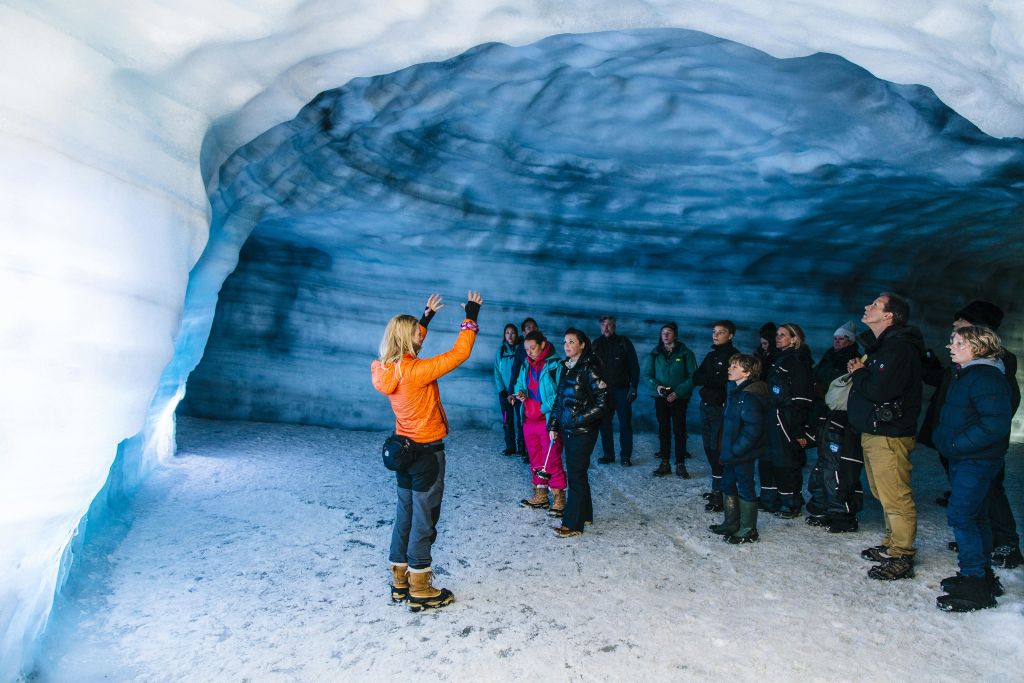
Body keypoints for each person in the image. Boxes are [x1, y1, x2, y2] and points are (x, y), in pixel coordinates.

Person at [371, 291, 483, 612]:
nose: (421, 339)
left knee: (404, 513)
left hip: (403, 450)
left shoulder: (389, 369)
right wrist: (470, 316)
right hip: (426, 453)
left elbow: (413, 341)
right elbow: (458, 353)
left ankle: (399, 580)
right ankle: (421, 585)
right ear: (408, 340)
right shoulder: (417, 372)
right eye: (416, 335)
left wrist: (426, 317)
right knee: (425, 517)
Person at [920, 301, 1021, 568]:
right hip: (959, 443)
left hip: (975, 447)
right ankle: (979, 542)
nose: (954, 325)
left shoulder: (998, 362)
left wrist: (966, 440)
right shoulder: (965, 363)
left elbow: (999, 408)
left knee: (990, 492)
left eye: (961, 320)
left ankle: (1007, 544)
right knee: (973, 498)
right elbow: (941, 381)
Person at [933, 325, 1013, 612]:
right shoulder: (969, 373)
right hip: (968, 457)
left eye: (958, 342)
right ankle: (983, 577)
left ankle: (974, 583)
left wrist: (957, 445)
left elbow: (995, 423)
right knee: (977, 514)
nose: (950, 346)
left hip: (975, 459)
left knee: (962, 515)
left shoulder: (984, 376)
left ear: (978, 347)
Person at [847, 292, 925, 581]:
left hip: (889, 435)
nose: (867, 307)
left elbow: (881, 389)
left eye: (875, 305)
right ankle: (892, 544)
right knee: (883, 492)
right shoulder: (885, 347)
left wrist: (859, 372)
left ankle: (902, 554)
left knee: (896, 495)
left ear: (889, 316)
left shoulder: (899, 349)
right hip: (875, 432)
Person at [548, 328, 609, 538]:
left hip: (583, 431)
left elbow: (603, 403)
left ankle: (572, 524)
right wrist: (554, 425)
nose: (566, 346)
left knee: (575, 474)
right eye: (565, 342)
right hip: (568, 428)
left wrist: (577, 419)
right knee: (578, 473)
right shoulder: (566, 368)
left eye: (571, 342)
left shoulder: (589, 368)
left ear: (582, 344)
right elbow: (559, 400)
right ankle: (585, 514)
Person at [805, 321, 863, 528]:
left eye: (841, 339)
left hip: (841, 414)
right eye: (835, 338)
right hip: (826, 413)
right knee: (824, 465)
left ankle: (840, 512)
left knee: (835, 467)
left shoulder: (852, 358)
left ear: (850, 341)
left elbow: (836, 379)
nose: (837, 342)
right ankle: (823, 507)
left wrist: (821, 381)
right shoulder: (831, 355)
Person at [709, 353, 770, 544]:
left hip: (742, 453)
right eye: (730, 365)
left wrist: (736, 450)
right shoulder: (735, 392)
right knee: (727, 484)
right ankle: (731, 523)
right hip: (731, 452)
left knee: (745, 486)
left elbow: (753, 430)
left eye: (734, 366)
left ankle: (748, 529)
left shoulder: (750, 396)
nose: (729, 368)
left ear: (748, 372)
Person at [763, 323, 815, 518]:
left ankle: (791, 502)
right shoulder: (780, 358)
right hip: (773, 415)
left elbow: (803, 397)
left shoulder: (798, 361)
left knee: (786, 461)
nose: (777, 338)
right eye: (777, 335)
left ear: (794, 339)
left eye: (782, 335)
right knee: (769, 458)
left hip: (787, 417)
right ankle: (770, 498)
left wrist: (798, 428)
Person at [514, 330, 566, 514]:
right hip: (529, 419)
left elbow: (561, 393)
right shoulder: (526, 365)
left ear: (543, 344)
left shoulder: (555, 365)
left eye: (532, 347)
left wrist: (543, 406)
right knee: (535, 458)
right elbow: (520, 383)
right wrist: (520, 392)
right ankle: (541, 496)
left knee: (551, 459)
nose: (529, 351)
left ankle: (559, 498)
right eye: (526, 348)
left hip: (547, 420)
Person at [692, 320, 740, 512]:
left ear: (730, 336)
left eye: (721, 332)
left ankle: (722, 492)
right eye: (714, 331)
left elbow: (725, 382)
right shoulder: (712, 356)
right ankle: (717, 487)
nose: (716, 335)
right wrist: (713, 380)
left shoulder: (734, 357)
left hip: (722, 409)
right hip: (706, 406)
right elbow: (696, 377)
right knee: (708, 448)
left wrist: (710, 380)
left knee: (718, 450)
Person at [643, 322, 697, 478]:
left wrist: (678, 392)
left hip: (679, 397)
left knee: (679, 429)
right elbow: (647, 374)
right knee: (663, 429)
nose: (665, 335)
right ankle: (665, 462)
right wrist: (657, 386)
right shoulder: (655, 353)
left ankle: (680, 463)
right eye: (663, 333)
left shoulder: (686, 353)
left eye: (669, 332)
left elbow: (693, 376)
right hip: (661, 396)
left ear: (675, 335)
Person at [593, 315, 641, 467]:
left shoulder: (623, 343)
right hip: (604, 392)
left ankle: (625, 456)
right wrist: (594, 388)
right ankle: (609, 454)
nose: (606, 327)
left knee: (625, 424)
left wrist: (634, 386)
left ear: (614, 327)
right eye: (603, 324)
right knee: (605, 424)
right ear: (600, 327)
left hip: (622, 390)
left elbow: (634, 365)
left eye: (609, 324)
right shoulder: (596, 344)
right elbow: (591, 369)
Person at [507, 317, 539, 461]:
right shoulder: (521, 349)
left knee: (539, 424)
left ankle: (537, 451)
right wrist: (511, 392)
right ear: (524, 332)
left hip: (538, 393)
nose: (530, 329)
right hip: (523, 391)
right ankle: (525, 450)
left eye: (533, 327)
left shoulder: (545, 347)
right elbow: (515, 372)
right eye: (527, 327)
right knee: (524, 423)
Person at [494, 323, 521, 456]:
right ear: (504, 335)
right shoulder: (500, 352)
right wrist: (502, 390)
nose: (510, 335)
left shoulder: (521, 350)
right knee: (507, 420)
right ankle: (510, 447)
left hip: (518, 392)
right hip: (505, 392)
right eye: (507, 333)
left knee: (521, 420)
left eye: (513, 333)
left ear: (517, 335)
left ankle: (522, 448)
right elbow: (497, 372)